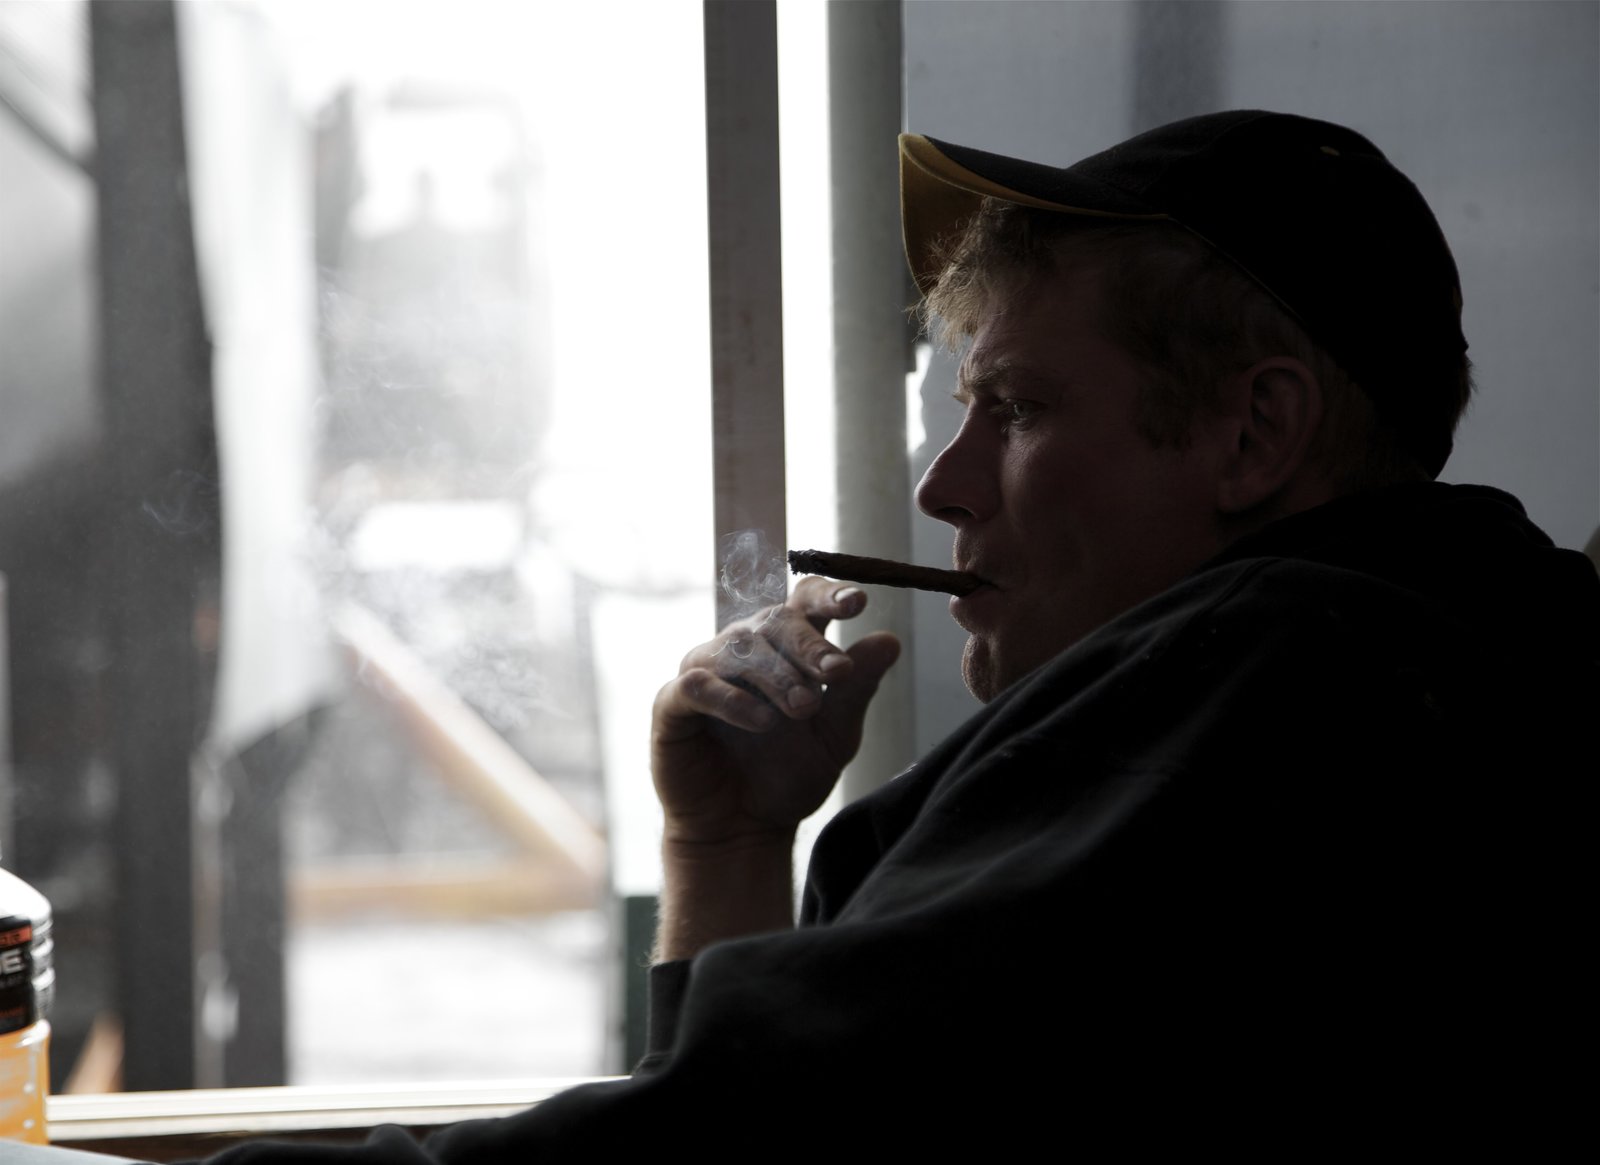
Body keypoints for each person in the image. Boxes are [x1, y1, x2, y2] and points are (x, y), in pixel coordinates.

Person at [214, 110, 1596, 1160]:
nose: (943, 487)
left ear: (1255, 433)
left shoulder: (1271, 686)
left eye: (1019, 410)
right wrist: (730, 845)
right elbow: (781, 1141)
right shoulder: (1434, 652)